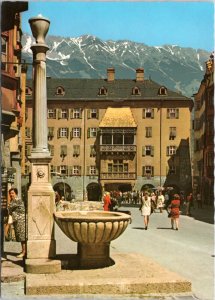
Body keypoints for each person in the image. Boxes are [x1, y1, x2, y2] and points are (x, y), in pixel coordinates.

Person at [8, 188, 26, 258]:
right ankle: (23, 250)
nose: (11, 194)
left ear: (16, 193)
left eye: (12, 193)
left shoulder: (17, 200)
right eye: (10, 193)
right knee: (20, 236)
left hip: (20, 221)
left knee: (22, 237)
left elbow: (9, 208)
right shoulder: (14, 200)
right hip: (18, 220)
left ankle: (24, 252)